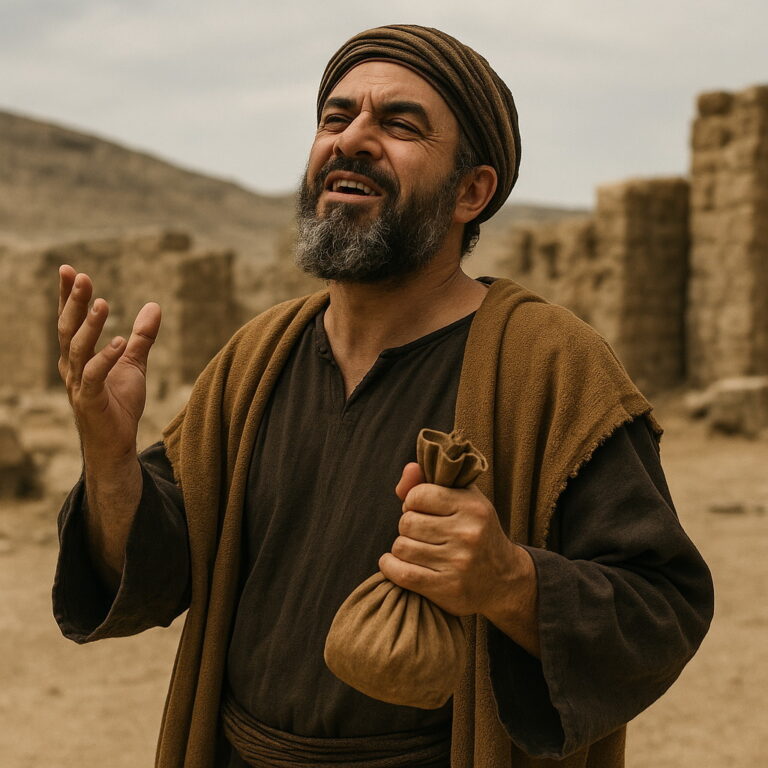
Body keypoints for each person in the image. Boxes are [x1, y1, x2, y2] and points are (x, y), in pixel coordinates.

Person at [53, 24, 713, 768]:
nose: (353, 139)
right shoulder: (255, 359)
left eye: (399, 124)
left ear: (473, 191)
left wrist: (509, 579)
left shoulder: (553, 366)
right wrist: (110, 459)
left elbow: (662, 610)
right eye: (336, 118)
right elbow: (158, 570)